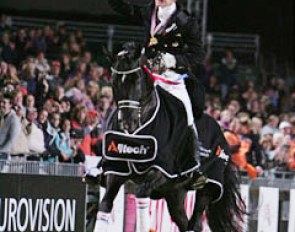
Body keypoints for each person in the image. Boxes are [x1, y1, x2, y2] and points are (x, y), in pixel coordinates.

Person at [109, 0, 205, 188]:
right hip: (146, 72)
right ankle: (108, 160)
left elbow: (198, 54)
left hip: (171, 77)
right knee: (125, 102)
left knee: (187, 117)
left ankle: (193, 169)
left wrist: (173, 59)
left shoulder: (187, 22)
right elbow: (124, 8)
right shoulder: (147, 11)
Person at [0, 92, 21, 166]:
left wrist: (1, 152)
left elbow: (11, 139)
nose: (1, 104)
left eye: (4, 102)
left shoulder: (14, 119)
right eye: (0, 102)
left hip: (3, 155)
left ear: (10, 105)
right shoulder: (1, 116)